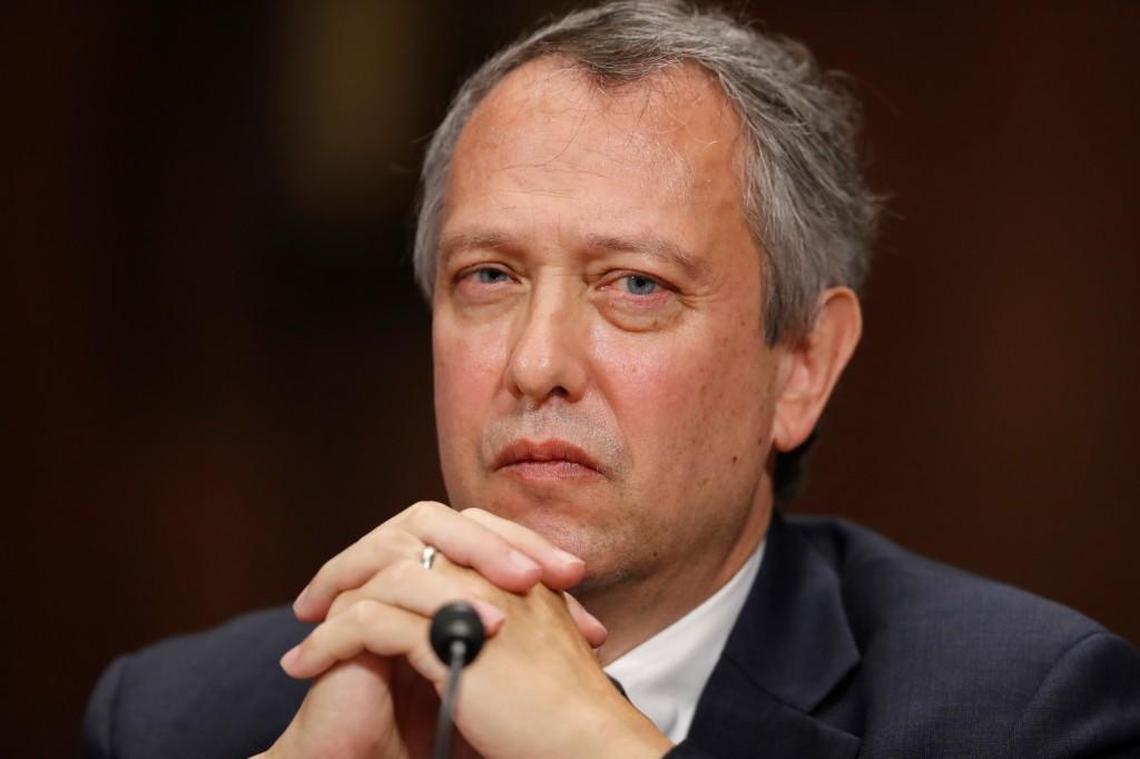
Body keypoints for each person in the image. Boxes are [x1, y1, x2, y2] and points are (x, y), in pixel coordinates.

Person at [84, 2, 1140, 757]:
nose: (537, 365)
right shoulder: (185, 718)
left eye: (636, 286)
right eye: (488, 277)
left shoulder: (1020, 717)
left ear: (803, 366)